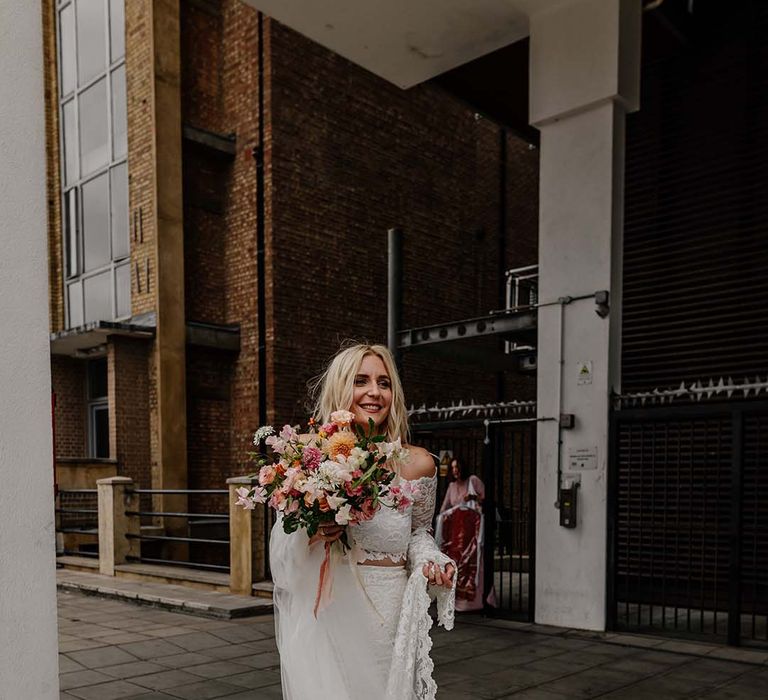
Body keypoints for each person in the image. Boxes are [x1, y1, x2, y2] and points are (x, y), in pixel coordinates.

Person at [269, 343, 456, 700]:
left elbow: (418, 534)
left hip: (390, 620)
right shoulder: (310, 459)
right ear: (341, 387)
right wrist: (315, 530)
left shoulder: (418, 464)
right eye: (361, 380)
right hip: (333, 610)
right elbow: (284, 541)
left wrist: (434, 562)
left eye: (384, 382)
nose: (374, 391)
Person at [436, 457, 490, 612]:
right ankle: (456, 601)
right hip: (455, 534)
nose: (455, 471)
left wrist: (472, 497)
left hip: (471, 532)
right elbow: (445, 507)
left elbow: (486, 499)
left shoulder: (473, 481)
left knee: (471, 564)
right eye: (452, 468)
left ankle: (473, 602)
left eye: (457, 467)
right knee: (456, 564)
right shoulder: (452, 486)